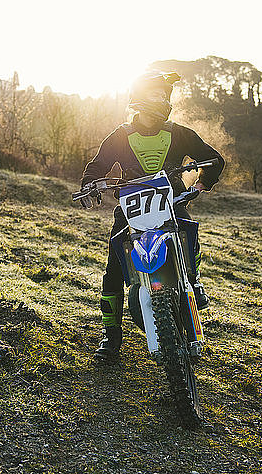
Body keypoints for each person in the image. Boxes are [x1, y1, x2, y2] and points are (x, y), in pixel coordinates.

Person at [80, 72, 225, 363]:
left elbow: (214, 159)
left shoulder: (179, 132)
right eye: (158, 94)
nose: (164, 100)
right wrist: (89, 186)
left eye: (166, 95)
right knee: (114, 271)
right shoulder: (120, 135)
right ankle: (111, 337)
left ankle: (193, 283)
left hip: (172, 204)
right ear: (141, 98)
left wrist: (200, 184)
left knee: (188, 236)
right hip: (131, 212)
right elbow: (96, 167)